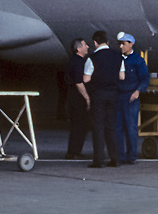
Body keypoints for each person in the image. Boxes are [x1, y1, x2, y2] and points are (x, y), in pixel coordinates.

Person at [87, 30, 123, 169]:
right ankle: (115, 158)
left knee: (98, 127)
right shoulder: (118, 56)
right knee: (111, 126)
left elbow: (86, 78)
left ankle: (99, 160)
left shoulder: (92, 58)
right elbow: (122, 76)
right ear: (107, 42)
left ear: (95, 43)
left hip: (98, 94)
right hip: (113, 94)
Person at [115, 32, 151, 164]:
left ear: (131, 44)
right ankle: (120, 155)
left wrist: (137, 92)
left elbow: (145, 78)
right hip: (118, 95)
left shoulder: (138, 60)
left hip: (131, 96)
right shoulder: (118, 59)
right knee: (117, 127)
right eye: (120, 44)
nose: (121, 47)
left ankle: (131, 156)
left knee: (131, 127)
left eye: (123, 44)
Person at [63, 38, 91, 159]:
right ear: (78, 48)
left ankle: (74, 151)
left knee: (77, 124)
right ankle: (74, 151)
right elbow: (78, 82)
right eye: (85, 45)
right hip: (77, 97)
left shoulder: (74, 61)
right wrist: (87, 98)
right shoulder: (79, 62)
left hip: (73, 96)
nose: (88, 46)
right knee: (80, 124)